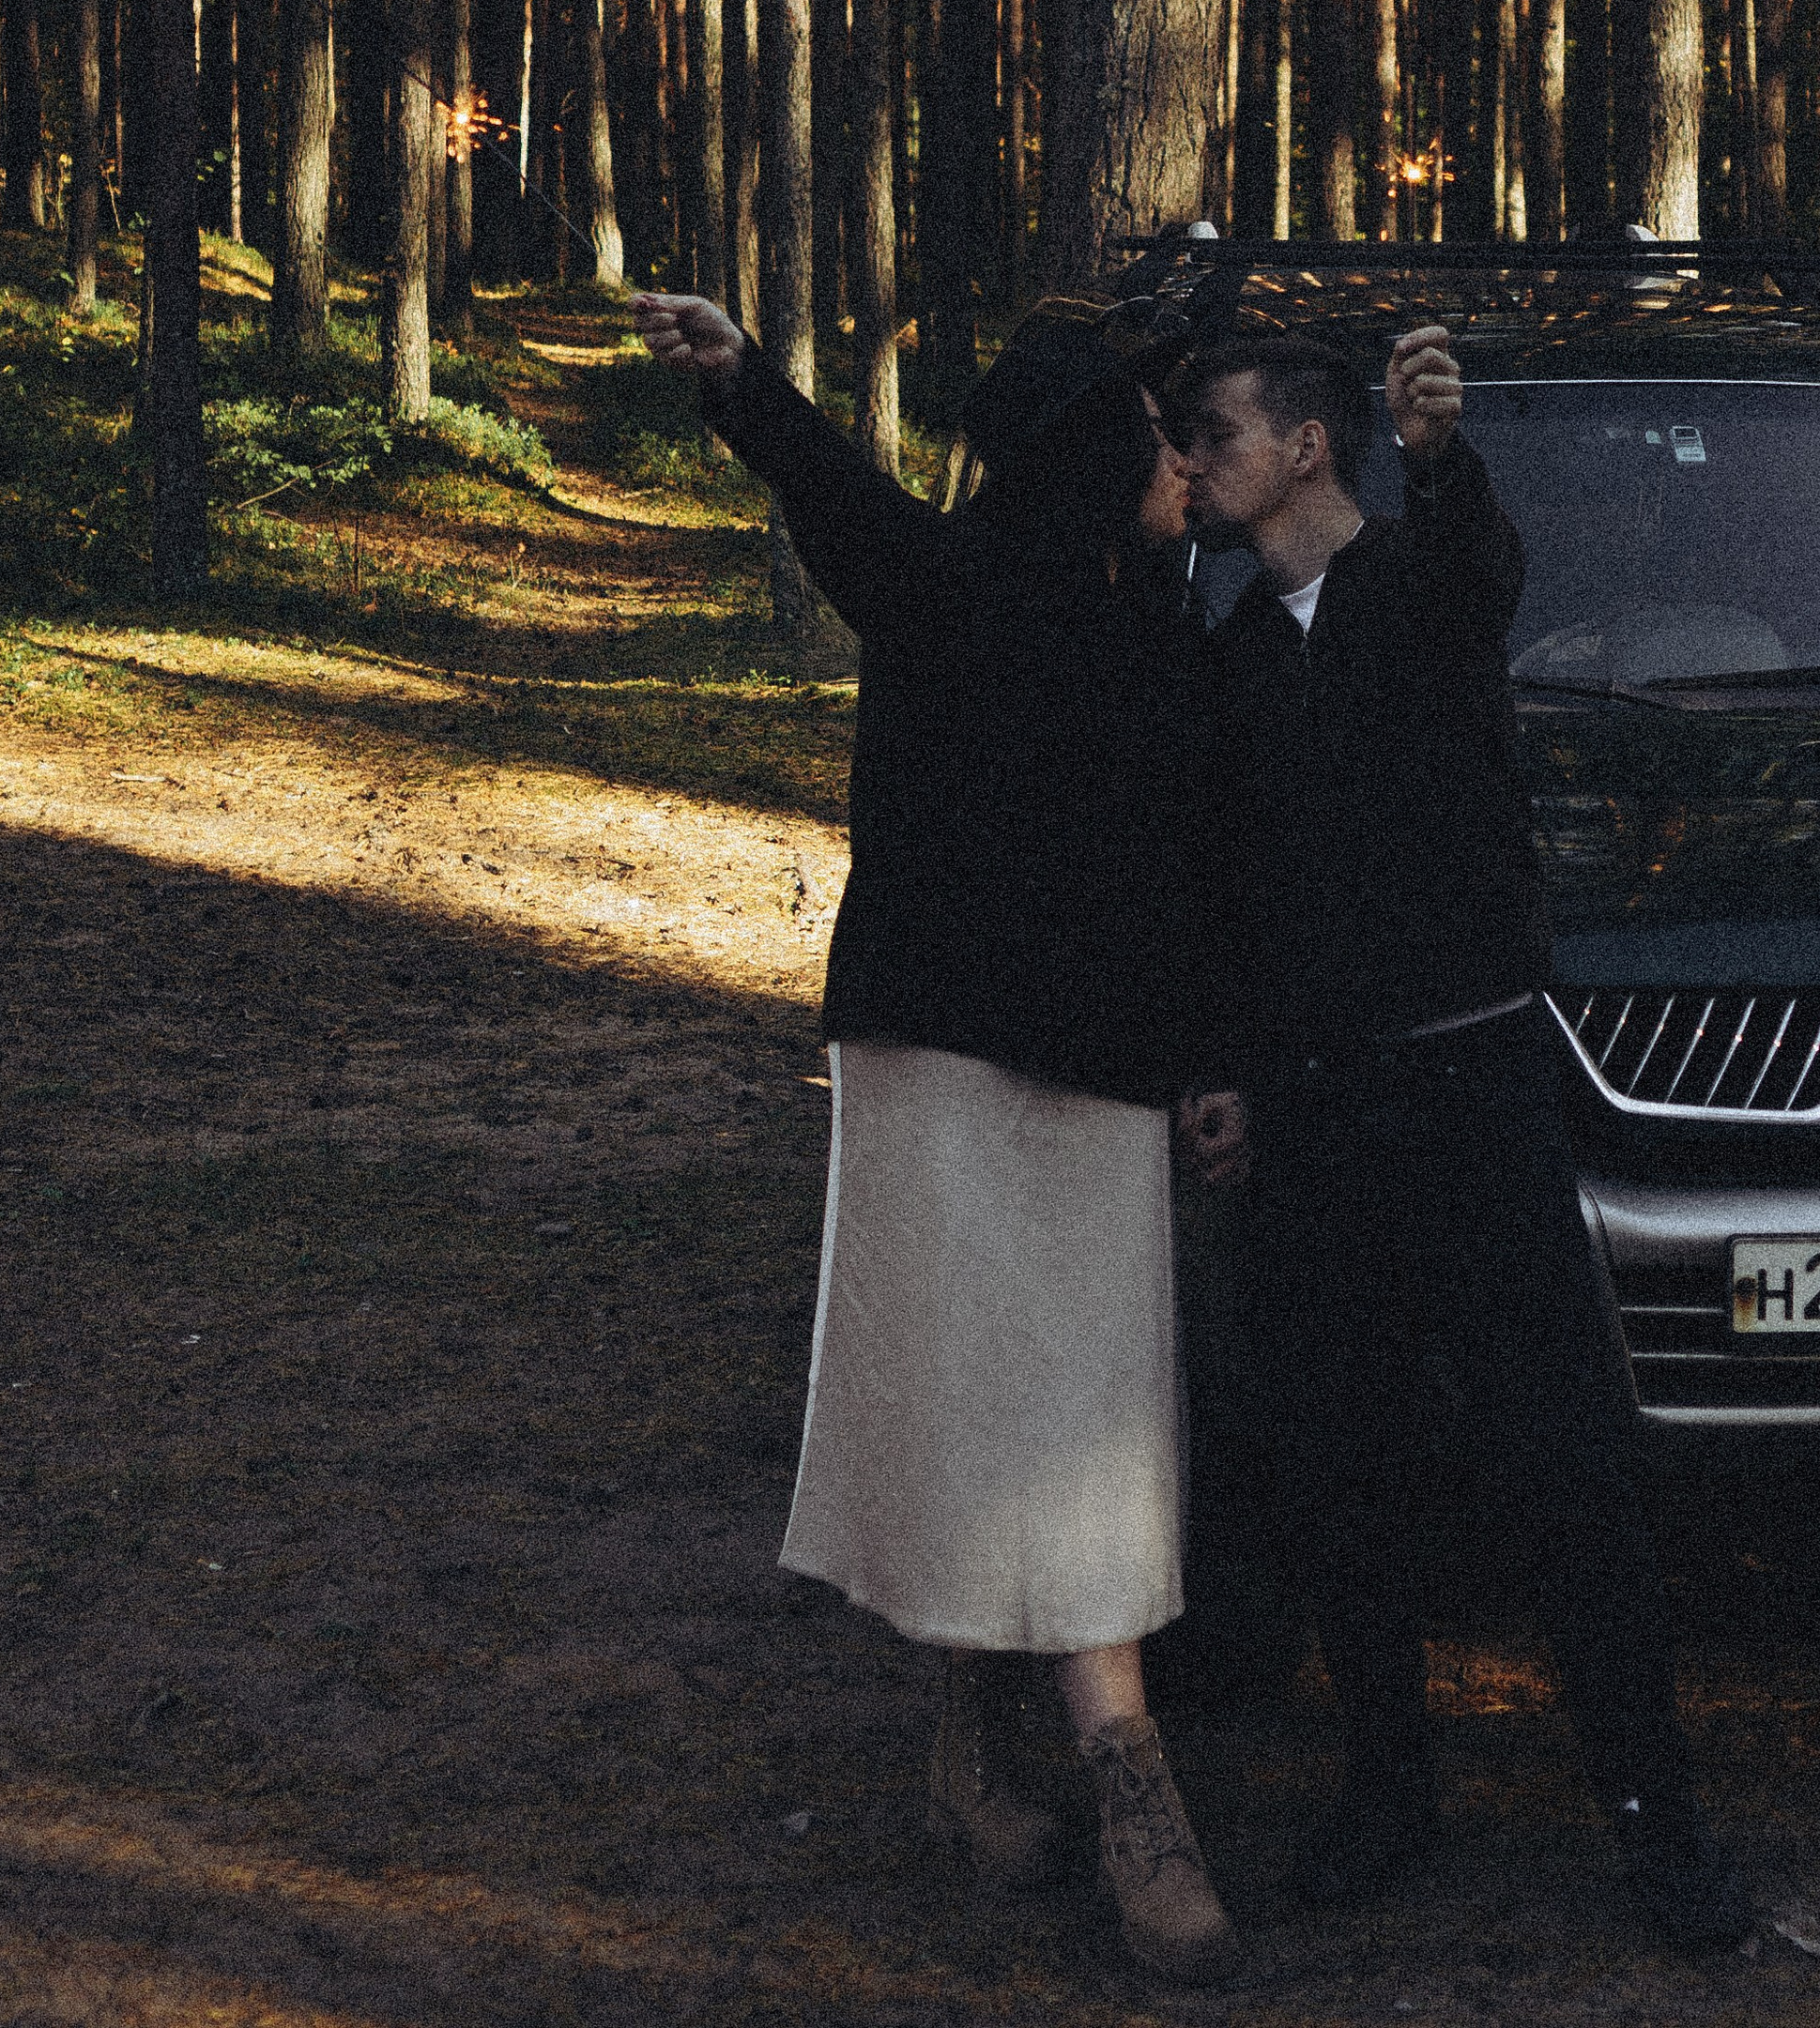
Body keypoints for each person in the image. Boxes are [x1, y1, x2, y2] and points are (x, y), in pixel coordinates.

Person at [633, 285, 1240, 1989]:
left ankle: (1050, 1769)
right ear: (1085, 461)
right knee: (980, 1401)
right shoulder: (951, 589)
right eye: (1151, 441)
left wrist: (1204, 1063)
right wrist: (747, 384)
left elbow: (1197, 891)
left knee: (1086, 1419)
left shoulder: (1163, 640)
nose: (1181, 467)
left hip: (1096, 1084)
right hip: (938, 1075)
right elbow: (838, 495)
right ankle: (1096, 1781)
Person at [1171, 320, 1754, 1956]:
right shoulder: (1221, 654)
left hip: (1475, 1096)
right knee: (1340, 1469)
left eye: (1213, 433)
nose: (1193, 462)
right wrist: (1222, 1073)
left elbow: (1478, 566)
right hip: (1310, 1119)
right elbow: (1223, 896)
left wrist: (1442, 447)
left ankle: (1660, 1823)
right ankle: (1388, 1791)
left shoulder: (1420, 593)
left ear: (1305, 445)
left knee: (1564, 1466)